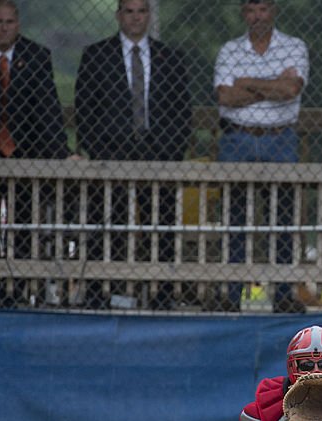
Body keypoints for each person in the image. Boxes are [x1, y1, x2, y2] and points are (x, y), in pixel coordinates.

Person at [74, 0, 192, 309]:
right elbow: (85, 113)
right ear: (118, 15)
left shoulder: (171, 58)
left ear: (149, 16)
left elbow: (182, 114)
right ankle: (101, 292)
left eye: (141, 11)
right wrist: (102, 153)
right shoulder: (97, 56)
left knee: (161, 227)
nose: (135, 17)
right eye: (129, 11)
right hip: (112, 157)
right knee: (107, 227)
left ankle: (162, 294)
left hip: (160, 158)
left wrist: (168, 153)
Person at [0, 0, 71, 306]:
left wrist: (61, 152)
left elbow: (48, 110)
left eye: (9, 21)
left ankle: (18, 288)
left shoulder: (36, 56)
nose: (4, 27)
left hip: (23, 152)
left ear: (18, 24)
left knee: (23, 221)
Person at [213, 0, 308, 313]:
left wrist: (247, 84)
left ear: (274, 10)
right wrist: (272, 84)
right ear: (243, 12)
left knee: (283, 219)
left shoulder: (294, 46)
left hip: (279, 138)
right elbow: (225, 97)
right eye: (252, 9)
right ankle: (230, 294)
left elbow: (291, 90)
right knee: (234, 217)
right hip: (237, 138)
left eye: (263, 9)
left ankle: (282, 294)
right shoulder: (230, 49)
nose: (257, 16)